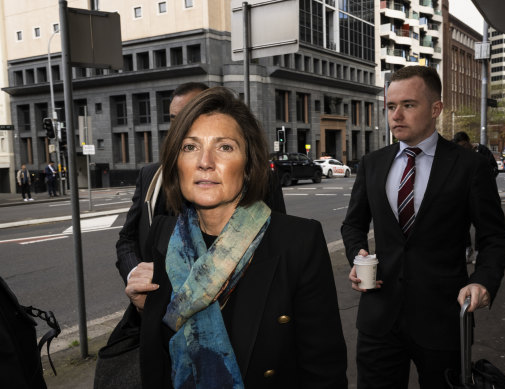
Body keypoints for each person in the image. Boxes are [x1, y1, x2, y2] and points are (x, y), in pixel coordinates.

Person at [125, 87, 347, 388]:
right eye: (190, 147)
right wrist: (145, 308)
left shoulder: (298, 241)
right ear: (176, 163)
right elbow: (158, 360)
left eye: (224, 147)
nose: (205, 161)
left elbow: (324, 371)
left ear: (248, 164)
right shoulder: (164, 236)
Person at [341, 66, 505, 388]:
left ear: (436, 109)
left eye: (408, 105)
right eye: (391, 106)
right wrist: (357, 255)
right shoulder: (373, 163)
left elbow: (495, 237)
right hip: (379, 317)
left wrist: (483, 282)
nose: (397, 115)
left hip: (443, 318)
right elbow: (353, 224)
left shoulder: (469, 166)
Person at [116, 82, 210, 289]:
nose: (178, 126)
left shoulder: (246, 177)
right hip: (152, 311)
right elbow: (127, 239)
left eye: (189, 116)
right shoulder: (150, 175)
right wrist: (135, 275)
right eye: (174, 119)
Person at [452, 131, 499, 263]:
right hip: (462, 193)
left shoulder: (482, 151)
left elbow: (494, 169)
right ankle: (467, 249)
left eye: (464, 145)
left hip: (480, 194)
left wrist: (485, 182)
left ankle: (479, 251)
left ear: (469, 142)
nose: (462, 148)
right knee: (460, 223)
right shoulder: (456, 153)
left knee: (481, 222)